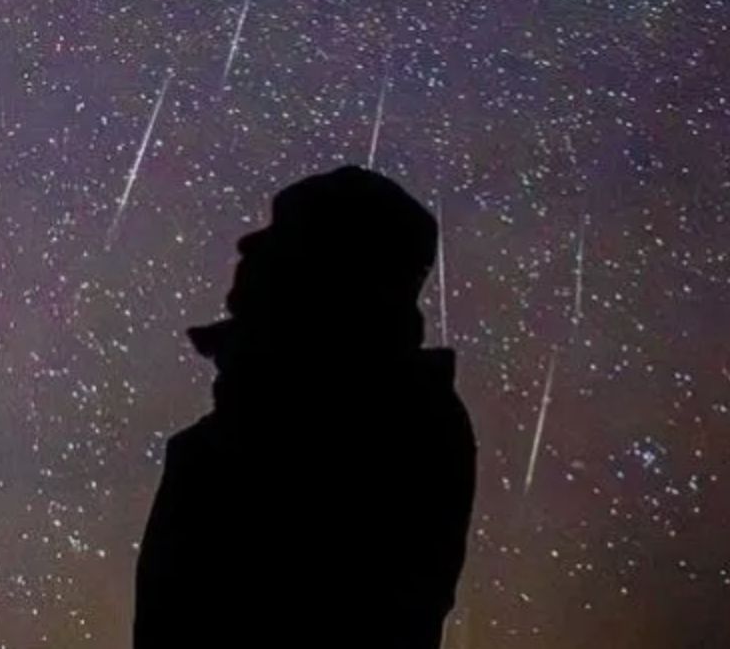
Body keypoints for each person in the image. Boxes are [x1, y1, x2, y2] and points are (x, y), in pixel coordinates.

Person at [134, 166, 476, 648]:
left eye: (282, 233)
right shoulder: (254, 419)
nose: (248, 244)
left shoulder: (389, 425)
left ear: (333, 266)